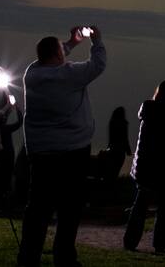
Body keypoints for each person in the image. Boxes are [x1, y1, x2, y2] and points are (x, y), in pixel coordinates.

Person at [17, 25, 106, 267]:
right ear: (58, 54)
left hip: (40, 152)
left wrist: (71, 43)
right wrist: (96, 41)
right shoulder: (69, 74)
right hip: (73, 151)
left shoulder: (32, 74)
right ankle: (64, 257)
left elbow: (49, 57)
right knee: (70, 208)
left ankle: (28, 257)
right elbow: (98, 65)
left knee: (38, 208)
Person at [123, 80, 165, 253]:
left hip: (146, 167)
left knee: (140, 206)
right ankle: (160, 243)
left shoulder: (148, 109)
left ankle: (130, 241)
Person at [99, 105, 131, 182]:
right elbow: (125, 138)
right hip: (120, 152)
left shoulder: (112, 123)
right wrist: (128, 150)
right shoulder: (123, 123)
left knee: (110, 171)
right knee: (116, 171)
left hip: (112, 150)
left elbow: (111, 139)